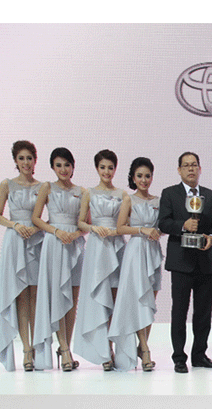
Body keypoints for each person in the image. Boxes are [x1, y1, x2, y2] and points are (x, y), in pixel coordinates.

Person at [158, 151, 212, 373]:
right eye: (186, 165)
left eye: (194, 165)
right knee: (179, 312)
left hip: (205, 262)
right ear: (179, 170)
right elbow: (163, 223)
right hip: (181, 262)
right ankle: (179, 357)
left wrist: (211, 237)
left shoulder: (211, 196)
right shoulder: (169, 193)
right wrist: (183, 225)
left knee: (204, 312)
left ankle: (199, 355)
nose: (191, 169)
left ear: (200, 169)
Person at [31, 147, 86, 371]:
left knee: (72, 298)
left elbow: (85, 223)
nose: (63, 169)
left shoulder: (82, 191)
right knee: (57, 295)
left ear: (73, 166)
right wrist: (55, 231)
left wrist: (76, 234)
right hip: (54, 244)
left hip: (75, 246)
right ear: (53, 167)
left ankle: (66, 347)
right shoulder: (47, 187)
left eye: (67, 164)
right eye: (58, 165)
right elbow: (36, 218)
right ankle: (63, 348)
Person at [109, 157, 163, 371]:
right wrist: (142, 230)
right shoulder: (129, 200)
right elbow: (120, 227)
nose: (144, 180)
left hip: (153, 252)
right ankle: (145, 349)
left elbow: (163, 225)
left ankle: (142, 346)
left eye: (147, 176)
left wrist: (158, 231)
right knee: (139, 299)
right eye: (139, 176)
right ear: (133, 177)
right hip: (135, 251)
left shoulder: (158, 200)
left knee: (149, 300)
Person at [74, 150, 126, 370]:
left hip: (116, 245)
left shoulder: (122, 194)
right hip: (97, 246)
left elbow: (126, 222)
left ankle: (113, 347)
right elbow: (80, 222)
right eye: (103, 167)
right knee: (99, 296)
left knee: (115, 297)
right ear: (97, 168)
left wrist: (116, 230)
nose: (107, 171)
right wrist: (94, 228)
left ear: (115, 169)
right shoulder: (89, 193)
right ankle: (104, 350)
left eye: (110, 167)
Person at [0, 140, 44, 371]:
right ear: (15, 160)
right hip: (15, 241)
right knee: (21, 295)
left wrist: (37, 228)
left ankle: (37, 347)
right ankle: (26, 349)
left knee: (36, 295)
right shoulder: (7, 184)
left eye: (29, 158)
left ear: (35, 160)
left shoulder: (42, 187)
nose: (26, 162)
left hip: (36, 241)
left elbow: (50, 216)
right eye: (21, 158)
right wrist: (15, 225)